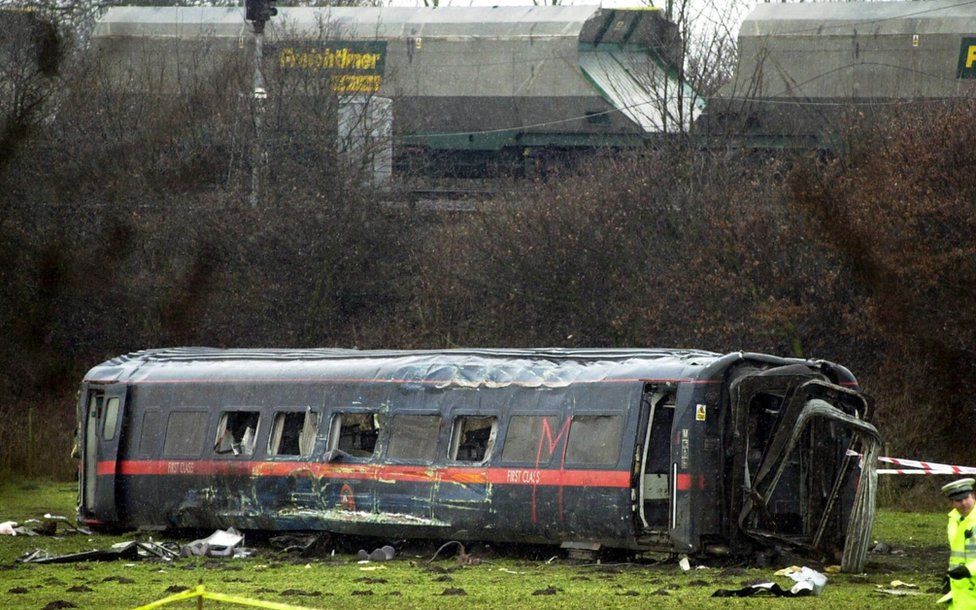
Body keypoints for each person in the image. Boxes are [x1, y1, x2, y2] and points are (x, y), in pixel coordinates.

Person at [941, 478, 976, 608]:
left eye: (966, 498)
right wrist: (950, 575)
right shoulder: (954, 520)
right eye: (958, 500)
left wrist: (969, 570)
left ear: (973, 496)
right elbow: (959, 554)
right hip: (962, 591)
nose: (963, 503)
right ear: (952, 503)